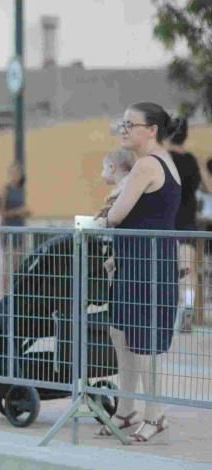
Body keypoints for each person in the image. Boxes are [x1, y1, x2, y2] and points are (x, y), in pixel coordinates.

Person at [99, 102, 183, 444]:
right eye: (122, 123)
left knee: (144, 342)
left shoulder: (148, 164)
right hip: (135, 262)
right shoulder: (150, 163)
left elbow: (116, 215)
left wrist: (99, 221)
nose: (124, 129)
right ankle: (125, 409)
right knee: (122, 335)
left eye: (130, 124)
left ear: (152, 130)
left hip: (148, 264)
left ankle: (155, 414)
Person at [167, 119, 202, 333]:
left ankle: (166, 311)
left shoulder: (164, 159)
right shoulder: (190, 160)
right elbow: (205, 185)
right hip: (188, 221)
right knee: (187, 269)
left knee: (166, 269)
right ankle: (187, 305)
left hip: (167, 221)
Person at [0, 162, 30, 292]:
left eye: (17, 173)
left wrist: (25, 212)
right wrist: (17, 212)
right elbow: (2, 213)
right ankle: (6, 293)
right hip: (9, 231)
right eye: (12, 173)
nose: (15, 175)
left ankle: (18, 291)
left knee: (20, 265)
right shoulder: (5, 190)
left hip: (20, 231)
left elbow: (26, 210)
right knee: (8, 266)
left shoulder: (22, 190)